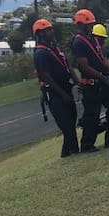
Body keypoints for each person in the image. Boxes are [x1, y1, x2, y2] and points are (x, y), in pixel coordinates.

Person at [71, 9, 109, 152]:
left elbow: (103, 61)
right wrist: (103, 78)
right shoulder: (78, 42)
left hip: (104, 82)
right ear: (81, 25)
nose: (91, 27)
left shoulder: (93, 39)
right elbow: (84, 66)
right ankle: (87, 145)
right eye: (88, 24)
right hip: (92, 85)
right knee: (92, 116)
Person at [32, 19, 81, 157]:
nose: (51, 32)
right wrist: (62, 95)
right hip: (54, 92)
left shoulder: (56, 48)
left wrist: (78, 82)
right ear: (40, 34)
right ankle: (74, 150)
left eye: (51, 29)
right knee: (66, 123)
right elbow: (46, 76)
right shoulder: (40, 54)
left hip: (66, 88)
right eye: (48, 30)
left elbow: (68, 67)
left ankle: (66, 152)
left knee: (72, 120)